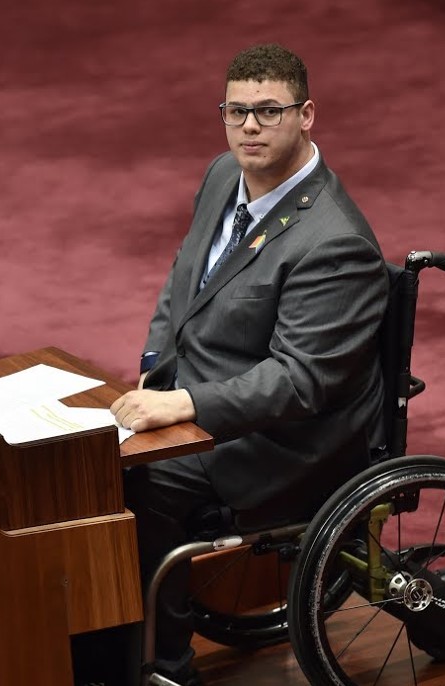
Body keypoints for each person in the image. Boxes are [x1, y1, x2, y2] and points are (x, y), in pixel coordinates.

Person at [111, 43, 389, 685]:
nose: (250, 128)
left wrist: (184, 405)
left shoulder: (334, 241)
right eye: (236, 112)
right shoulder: (220, 176)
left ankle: (163, 666)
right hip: (199, 405)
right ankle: (102, 651)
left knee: (139, 486)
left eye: (269, 111)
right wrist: (157, 372)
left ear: (307, 115)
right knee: (73, 462)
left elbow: (302, 379)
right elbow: (181, 284)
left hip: (282, 441)